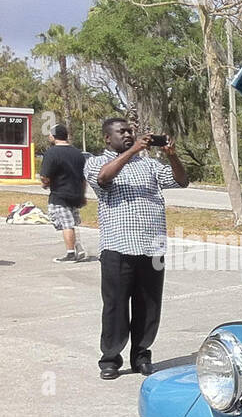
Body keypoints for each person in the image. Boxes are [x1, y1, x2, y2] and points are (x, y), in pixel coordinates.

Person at [84, 117, 189, 380]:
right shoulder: (97, 163)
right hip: (117, 247)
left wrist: (172, 156)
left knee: (149, 306)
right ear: (108, 138)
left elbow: (181, 181)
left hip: (152, 247)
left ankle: (141, 354)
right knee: (115, 306)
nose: (129, 135)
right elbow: (104, 179)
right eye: (122, 132)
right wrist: (133, 151)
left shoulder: (150, 165)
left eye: (131, 131)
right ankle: (110, 358)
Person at [39, 123, 91, 263]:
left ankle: (70, 254)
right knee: (72, 223)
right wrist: (83, 195)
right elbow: (83, 177)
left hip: (60, 194)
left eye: (50, 134)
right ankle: (78, 249)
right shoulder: (78, 154)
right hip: (76, 194)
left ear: (54, 136)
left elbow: (45, 176)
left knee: (66, 224)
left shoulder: (52, 153)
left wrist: (45, 184)